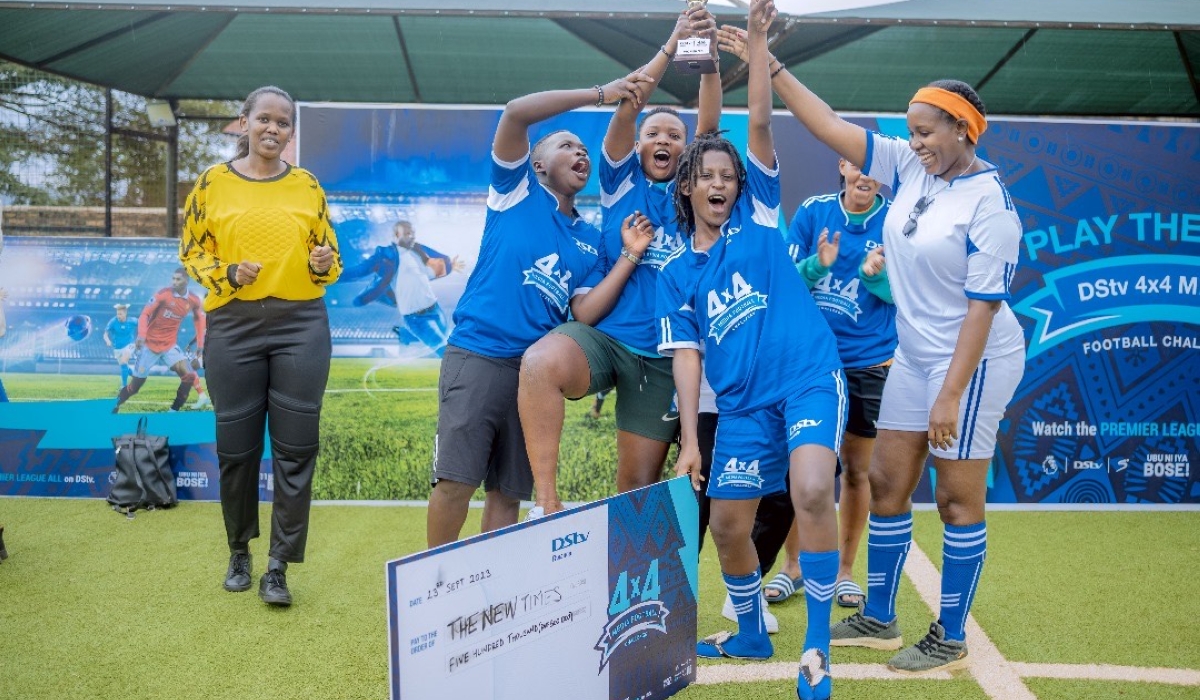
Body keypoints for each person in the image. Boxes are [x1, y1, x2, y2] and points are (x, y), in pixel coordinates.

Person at [760, 30, 1026, 675]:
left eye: (928, 132)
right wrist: (768, 65)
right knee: (884, 481)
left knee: (959, 499)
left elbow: (981, 310)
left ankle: (950, 632)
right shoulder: (910, 169)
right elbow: (825, 124)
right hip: (912, 354)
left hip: (975, 359)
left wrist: (950, 394)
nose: (915, 143)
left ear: (964, 130)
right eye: (910, 132)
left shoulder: (991, 207)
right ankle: (879, 612)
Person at [657, 3, 845, 698]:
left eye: (726, 175)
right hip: (738, 407)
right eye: (704, 175)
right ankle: (752, 628)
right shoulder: (676, 273)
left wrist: (759, 44)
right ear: (687, 187)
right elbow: (686, 357)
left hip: (805, 378)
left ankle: (818, 649)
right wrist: (688, 438)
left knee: (813, 488)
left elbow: (759, 123)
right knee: (730, 526)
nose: (717, 183)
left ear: (739, 186)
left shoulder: (760, 216)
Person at [426, 71, 657, 547]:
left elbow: (586, 313)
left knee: (507, 493)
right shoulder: (515, 192)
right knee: (456, 482)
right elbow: (515, 111)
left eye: (585, 151)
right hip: (478, 356)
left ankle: (490, 593)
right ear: (536, 164)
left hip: (532, 376)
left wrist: (630, 256)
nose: (581, 154)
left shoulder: (591, 240)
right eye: (567, 146)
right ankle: (437, 588)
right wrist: (602, 94)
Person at [519, 5, 721, 518]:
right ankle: (546, 501)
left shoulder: (690, 193)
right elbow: (631, 103)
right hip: (608, 342)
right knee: (541, 361)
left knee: (635, 486)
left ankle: (626, 588)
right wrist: (676, 40)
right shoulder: (620, 182)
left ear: (687, 153)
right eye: (654, 133)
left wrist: (707, 57)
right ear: (637, 146)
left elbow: (711, 124)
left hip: (663, 358)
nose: (665, 140)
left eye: (676, 136)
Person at [179, 85, 343, 607]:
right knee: (238, 449)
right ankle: (239, 552)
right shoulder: (211, 184)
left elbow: (331, 257)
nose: (273, 130)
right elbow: (190, 250)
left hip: (301, 325)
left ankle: (278, 567)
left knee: (296, 450)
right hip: (234, 326)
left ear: (291, 132)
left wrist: (323, 264)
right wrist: (225, 272)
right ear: (244, 122)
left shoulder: (308, 186)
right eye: (264, 120)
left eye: (284, 123)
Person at [340, 219, 464, 357]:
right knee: (445, 351)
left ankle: (406, 334)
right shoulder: (385, 256)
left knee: (446, 336)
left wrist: (450, 266)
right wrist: (331, 274)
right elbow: (358, 271)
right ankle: (463, 377)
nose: (411, 236)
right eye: (407, 233)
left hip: (435, 308)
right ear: (396, 235)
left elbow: (433, 267)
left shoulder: (419, 250)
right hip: (415, 317)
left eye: (413, 233)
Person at [113, 268, 209, 413]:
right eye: (173, 279)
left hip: (169, 345)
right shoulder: (163, 294)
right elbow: (145, 313)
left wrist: (200, 345)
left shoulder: (193, 300)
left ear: (186, 281)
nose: (174, 282)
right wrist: (141, 335)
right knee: (134, 387)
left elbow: (199, 319)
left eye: (178, 279)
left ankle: (173, 411)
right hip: (149, 345)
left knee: (189, 375)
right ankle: (114, 406)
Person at [103, 303, 138, 389]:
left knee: (123, 361)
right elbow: (105, 334)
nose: (118, 316)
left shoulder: (132, 321)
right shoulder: (113, 321)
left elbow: (144, 324)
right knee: (124, 366)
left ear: (125, 313)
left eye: (120, 314)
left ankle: (124, 386)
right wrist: (107, 340)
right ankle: (137, 377)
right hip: (117, 348)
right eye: (117, 314)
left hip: (130, 345)